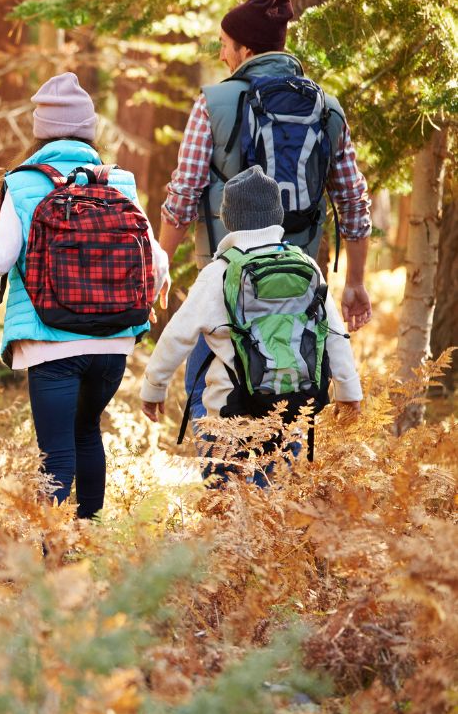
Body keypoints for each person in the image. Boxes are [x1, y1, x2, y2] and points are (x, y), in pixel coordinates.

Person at [0, 72, 169, 519]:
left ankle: (52, 555)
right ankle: (90, 537)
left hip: (49, 339)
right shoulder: (121, 181)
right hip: (115, 341)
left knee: (55, 452)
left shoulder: (23, 183)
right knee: (87, 433)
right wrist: (152, 294)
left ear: (41, 131)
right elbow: (153, 258)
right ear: (89, 130)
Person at [158, 0, 373, 427]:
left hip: (227, 282)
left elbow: (182, 196)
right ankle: (275, 489)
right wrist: (355, 283)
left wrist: (160, 264)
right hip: (298, 284)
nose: (221, 55)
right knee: (290, 396)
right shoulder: (327, 109)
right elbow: (353, 202)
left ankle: (229, 489)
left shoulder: (213, 104)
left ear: (246, 49)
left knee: (212, 393)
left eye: (223, 44)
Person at [141, 166, 362, 484]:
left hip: (230, 412)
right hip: (290, 409)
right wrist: (348, 391)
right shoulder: (305, 264)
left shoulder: (218, 272)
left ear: (227, 219)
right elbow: (335, 334)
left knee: (228, 498)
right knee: (274, 501)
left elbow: (177, 336)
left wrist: (154, 387)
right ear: (278, 215)